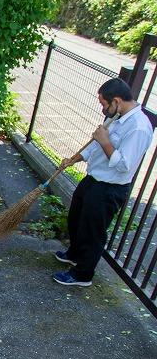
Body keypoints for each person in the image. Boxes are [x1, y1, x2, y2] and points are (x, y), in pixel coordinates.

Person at [54, 78, 154, 286]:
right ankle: (75, 254)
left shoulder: (139, 128)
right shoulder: (117, 116)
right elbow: (95, 147)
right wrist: (74, 159)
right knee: (76, 218)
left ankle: (83, 275)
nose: (102, 109)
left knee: (93, 231)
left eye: (103, 104)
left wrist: (105, 141)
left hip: (110, 188)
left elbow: (124, 165)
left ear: (116, 101)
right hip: (93, 179)